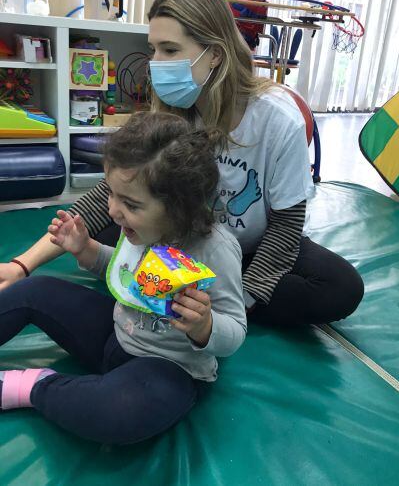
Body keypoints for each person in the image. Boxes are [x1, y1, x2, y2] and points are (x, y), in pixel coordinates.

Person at [0, 0, 364, 328]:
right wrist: (22, 265)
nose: (156, 62)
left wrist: (240, 304)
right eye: (154, 49)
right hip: (182, 240)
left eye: (170, 50)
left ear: (215, 54)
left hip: (250, 249)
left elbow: (286, 226)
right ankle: (182, 289)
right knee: (120, 215)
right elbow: (106, 197)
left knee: (339, 287)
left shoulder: (277, 120)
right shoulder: (174, 108)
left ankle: (191, 292)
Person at [0, 112, 246, 444]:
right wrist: (85, 248)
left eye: (129, 203)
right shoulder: (137, 228)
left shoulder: (215, 249)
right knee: (33, 289)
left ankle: (33, 385)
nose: (114, 211)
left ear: (178, 208)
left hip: (167, 368)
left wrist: (205, 327)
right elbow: (121, 272)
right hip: (113, 335)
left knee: (119, 413)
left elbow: (235, 329)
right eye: (111, 195)